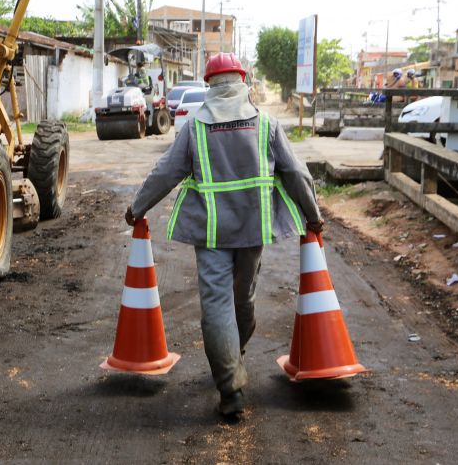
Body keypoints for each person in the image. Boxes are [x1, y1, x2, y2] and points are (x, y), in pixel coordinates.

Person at [124, 53, 323, 419]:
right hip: (253, 230)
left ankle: (230, 385)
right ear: (243, 81)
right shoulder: (266, 125)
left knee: (217, 306)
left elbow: (165, 173)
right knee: (243, 299)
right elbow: (296, 174)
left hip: (211, 233)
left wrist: (138, 207)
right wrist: (313, 216)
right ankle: (236, 356)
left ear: (209, 84)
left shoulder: (195, 127)